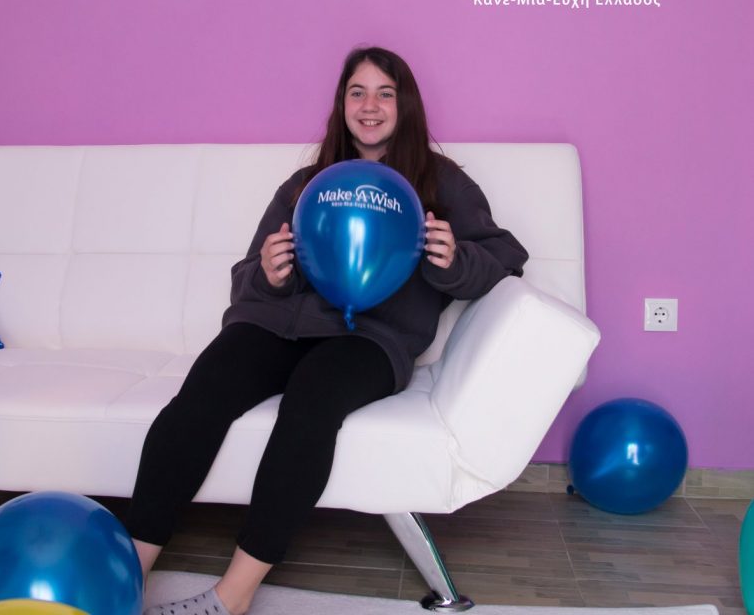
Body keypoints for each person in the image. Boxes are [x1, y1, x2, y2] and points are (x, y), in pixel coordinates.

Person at [125, 47, 528, 615]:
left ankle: (232, 596)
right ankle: (127, 574)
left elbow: (506, 257)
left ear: (405, 105)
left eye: (385, 93)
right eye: (356, 93)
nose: (370, 106)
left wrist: (453, 260)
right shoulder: (306, 184)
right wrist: (269, 273)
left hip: (373, 339)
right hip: (278, 326)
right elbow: (247, 279)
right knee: (203, 390)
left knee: (311, 401)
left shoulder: (441, 182)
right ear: (342, 105)